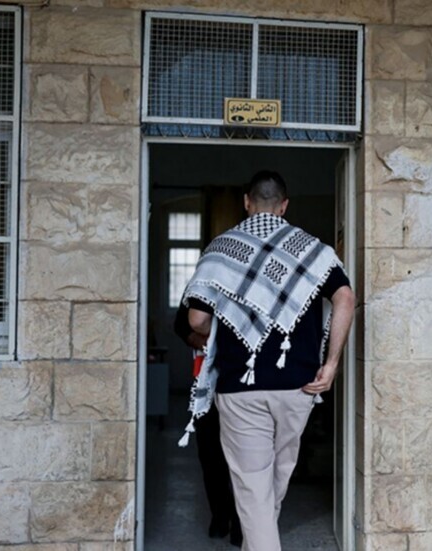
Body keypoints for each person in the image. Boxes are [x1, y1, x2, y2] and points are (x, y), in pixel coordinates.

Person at [179, 170, 355, 551]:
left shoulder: (222, 249)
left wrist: (226, 326)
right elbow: (345, 297)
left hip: (239, 390)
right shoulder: (312, 251)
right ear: (284, 205)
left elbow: (195, 320)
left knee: (256, 493)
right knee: (268, 490)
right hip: (299, 387)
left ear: (246, 202)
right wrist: (332, 363)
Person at [173, 305, 242, 546]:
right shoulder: (200, 288)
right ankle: (220, 517)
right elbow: (181, 325)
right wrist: (201, 340)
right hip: (205, 381)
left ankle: (241, 523)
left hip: (243, 380)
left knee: (245, 455)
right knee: (210, 452)